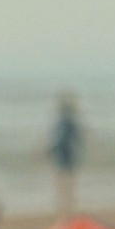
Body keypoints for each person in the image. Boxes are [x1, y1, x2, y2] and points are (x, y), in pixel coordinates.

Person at [48, 91, 83, 220]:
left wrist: (48, 151)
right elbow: (78, 140)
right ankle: (69, 212)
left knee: (63, 187)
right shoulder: (72, 122)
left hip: (63, 159)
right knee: (69, 188)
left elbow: (59, 141)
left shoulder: (63, 122)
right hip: (70, 158)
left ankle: (65, 214)